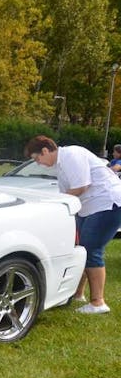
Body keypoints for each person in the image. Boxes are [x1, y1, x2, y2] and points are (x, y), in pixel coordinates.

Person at [24, 135, 121, 314]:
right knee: (81, 248)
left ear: (45, 151)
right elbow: (67, 193)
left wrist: (55, 204)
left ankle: (98, 303)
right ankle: (77, 294)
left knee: (92, 250)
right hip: (89, 207)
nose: (39, 163)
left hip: (107, 203)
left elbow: (81, 187)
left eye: (37, 159)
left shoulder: (72, 155)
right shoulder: (60, 165)